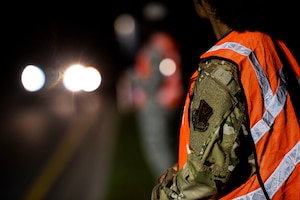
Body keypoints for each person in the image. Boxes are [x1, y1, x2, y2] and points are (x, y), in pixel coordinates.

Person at [151, 0, 300, 199]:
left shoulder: (222, 69)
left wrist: (163, 193)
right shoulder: (268, 42)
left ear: (202, 4)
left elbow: (205, 176)